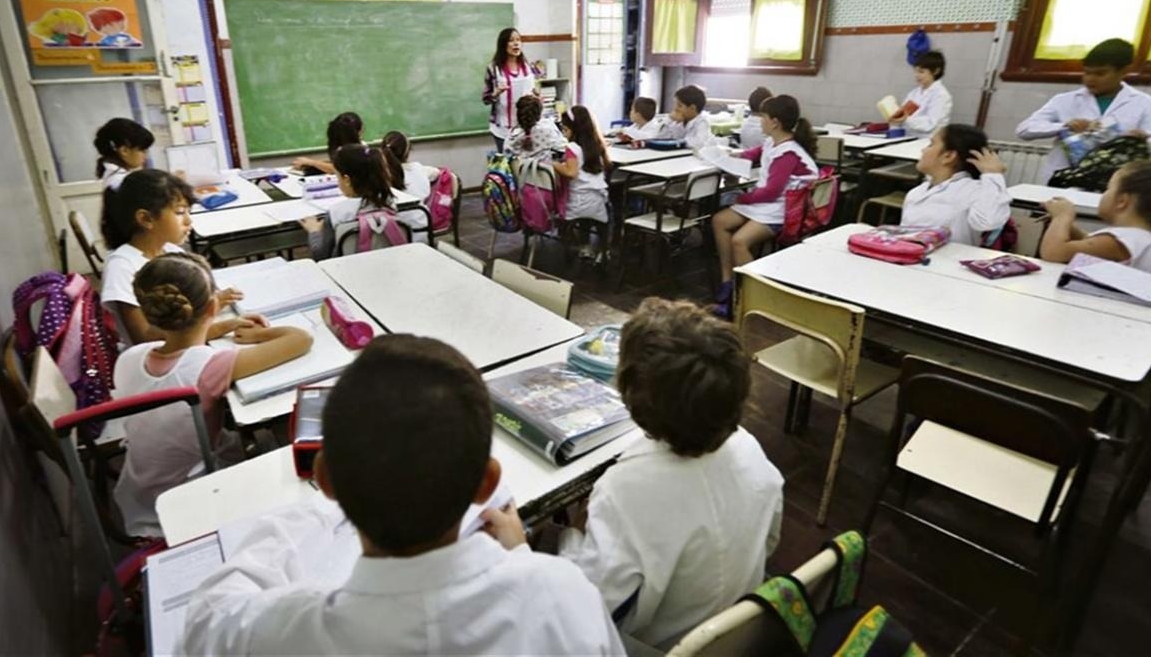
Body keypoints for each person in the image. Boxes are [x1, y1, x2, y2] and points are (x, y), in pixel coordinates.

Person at [183, 334, 624, 656]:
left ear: (325, 481)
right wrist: (522, 554)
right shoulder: (566, 595)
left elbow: (204, 619)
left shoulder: (283, 632)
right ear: (487, 484)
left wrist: (311, 516)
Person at [553, 298, 784, 652]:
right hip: (739, 633)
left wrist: (567, 537)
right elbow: (769, 541)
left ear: (631, 398)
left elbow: (588, 610)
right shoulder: (751, 450)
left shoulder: (625, 491)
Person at [113, 253, 312, 536]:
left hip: (138, 493)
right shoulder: (209, 366)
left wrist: (226, 325)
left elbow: (178, 345)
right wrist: (256, 336)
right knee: (266, 442)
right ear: (213, 307)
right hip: (191, 498)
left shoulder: (128, 358)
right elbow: (302, 339)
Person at [100, 169, 259, 346]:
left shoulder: (170, 250)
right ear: (145, 219)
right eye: (180, 212)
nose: (189, 221)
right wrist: (225, 326)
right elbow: (144, 337)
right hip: (157, 358)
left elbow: (180, 313)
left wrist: (214, 303)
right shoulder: (122, 267)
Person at [712, 95, 819, 317]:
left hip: (784, 210)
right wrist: (729, 156)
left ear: (775, 122)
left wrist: (742, 199)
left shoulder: (788, 153)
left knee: (739, 241)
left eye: (763, 117)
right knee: (719, 221)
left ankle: (753, 297)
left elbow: (772, 191)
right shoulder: (774, 141)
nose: (760, 121)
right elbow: (754, 154)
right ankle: (727, 281)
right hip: (767, 204)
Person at [1016, 39, 1151, 181]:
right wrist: (1064, 126)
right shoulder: (1065, 100)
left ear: (1124, 71)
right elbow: (1024, 130)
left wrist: (1142, 139)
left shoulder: (1143, 103)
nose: (1090, 79)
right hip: (1063, 178)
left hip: (1113, 182)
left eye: (1100, 74)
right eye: (1087, 73)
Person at [901, 124, 1010, 245]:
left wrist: (993, 175)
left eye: (931, 144)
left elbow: (988, 222)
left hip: (951, 257)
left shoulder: (973, 190)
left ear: (948, 156)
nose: (923, 150)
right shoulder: (916, 193)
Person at [1040, 160, 1151, 272]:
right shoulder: (1138, 237)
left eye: (1107, 189)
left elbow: (1053, 252)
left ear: (1122, 201)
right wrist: (1066, 227)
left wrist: (1062, 217)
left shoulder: (1124, 240)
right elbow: (1088, 243)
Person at [301, 145, 399, 259]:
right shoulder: (390, 202)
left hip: (345, 268)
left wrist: (314, 231)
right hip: (385, 263)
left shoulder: (336, 213)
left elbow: (321, 255)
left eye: (337, 177)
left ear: (347, 180)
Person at [482, 27, 544, 152]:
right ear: (503, 44)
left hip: (527, 126)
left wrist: (537, 98)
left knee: (527, 160)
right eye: (511, 40)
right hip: (503, 129)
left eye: (518, 40)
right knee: (507, 161)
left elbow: (535, 90)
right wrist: (496, 93)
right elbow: (486, 99)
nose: (516, 43)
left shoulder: (528, 67)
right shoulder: (493, 69)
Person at [556, 106, 611, 227]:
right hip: (598, 201)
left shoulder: (572, 148)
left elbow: (571, 172)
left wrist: (554, 164)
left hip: (577, 203)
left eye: (565, 130)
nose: (564, 134)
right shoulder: (598, 145)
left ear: (572, 129)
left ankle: (568, 236)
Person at [381, 130, 432, 241]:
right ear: (407, 152)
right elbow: (428, 187)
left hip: (393, 237)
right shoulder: (418, 168)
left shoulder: (380, 174)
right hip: (422, 230)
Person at [889, 50, 951, 134]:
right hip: (908, 137)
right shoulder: (914, 93)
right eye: (915, 71)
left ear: (936, 71)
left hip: (929, 139)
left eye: (921, 72)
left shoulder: (941, 95)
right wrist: (895, 119)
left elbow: (930, 124)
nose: (917, 75)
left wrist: (906, 119)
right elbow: (903, 117)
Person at [292, 112, 365, 176]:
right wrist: (312, 163)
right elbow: (339, 162)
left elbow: (337, 169)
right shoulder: (346, 147)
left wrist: (311, 162)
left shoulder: (360, 148)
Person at [94, 117, 154, 190]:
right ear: (124, 150)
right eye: (143, 151)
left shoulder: (115, 177)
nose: (146, 157)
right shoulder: (124, 182)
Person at [505, 94, 567, 164]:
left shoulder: (513, 135)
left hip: (519, 170)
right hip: (544, 169)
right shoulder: (547, 129)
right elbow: (563, 147)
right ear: (539, 114)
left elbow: (506, 155)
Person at [661, 85, 713, 149]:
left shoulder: (702, 122)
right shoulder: (677, 122)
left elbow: (699, 142)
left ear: (692, 108)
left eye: (680, 106)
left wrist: (678, 142)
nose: (675, 108)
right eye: (675, 104)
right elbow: (660, 137)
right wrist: (669, 119)